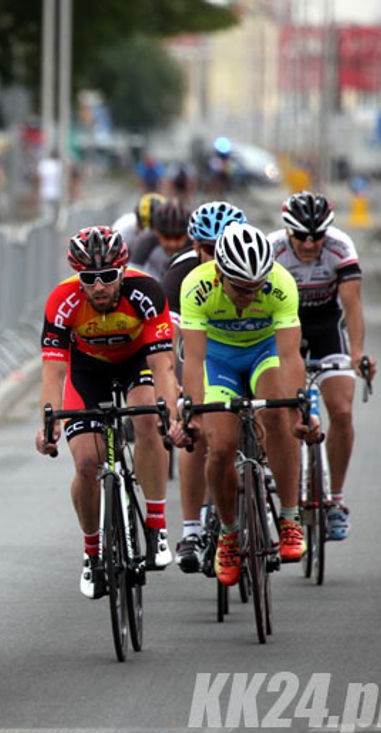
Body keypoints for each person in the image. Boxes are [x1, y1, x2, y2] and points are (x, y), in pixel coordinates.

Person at [34, 226, 183, 599]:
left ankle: (156, 526)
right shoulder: (63, 301)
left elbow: (163, 366)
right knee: (87, 464)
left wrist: (172, 417)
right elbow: (53, 371)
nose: (99, 287)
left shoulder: (146, 292)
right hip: (87, 371)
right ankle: (91, 552)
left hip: (137, 363)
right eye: (89, 278)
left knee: (149, 420)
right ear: (77, 276)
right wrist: (48, 424)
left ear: (122, 270)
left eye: (107, 277)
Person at [180, 223, 317, 586]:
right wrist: (190, 412)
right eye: (240, 288)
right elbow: (192, 360)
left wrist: (300, 409)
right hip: (218, 358)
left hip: (264, 352)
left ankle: (289, 518)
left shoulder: (282, 283)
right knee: (221, 446)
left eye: (256, 287)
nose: (249, 296)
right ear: (220, 273)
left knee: (278, 413)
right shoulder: (196, 285)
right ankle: (228, 533)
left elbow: (290, 358)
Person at [269, 191, 377, 540]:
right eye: (302, 235)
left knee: (342, 412)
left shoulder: (340, 247)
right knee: (279, 408)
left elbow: (353, 305)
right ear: (288, 231)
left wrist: (358, 353)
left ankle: (334, 501)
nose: (310, 243)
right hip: (284, 328)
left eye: (318, 236)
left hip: (327, 328)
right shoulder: (272, 252)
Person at [161, 201, 247, 572]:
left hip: (245, 346)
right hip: (199, 352)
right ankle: (193, 529)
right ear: (195, 247)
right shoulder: (180, 276)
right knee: (193, 428)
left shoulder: (253, 261)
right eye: (210, 250)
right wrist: (178, 399)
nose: (218, 258)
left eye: (224, 246)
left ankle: (260, 483)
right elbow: (171, 346)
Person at [134, 198, 192, 281]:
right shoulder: (146, 241)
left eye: (178, 237)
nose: (173, 244)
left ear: (188, 233)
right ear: (156, 232)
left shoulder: (196, 245)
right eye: (167, 237)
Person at [37, 149, 63, 223]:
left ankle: (47, 226)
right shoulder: (59, 165)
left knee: (46, 214)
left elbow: (39, 178)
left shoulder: (44, 164)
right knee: (56, 215)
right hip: (57, 192)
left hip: (45, 191)